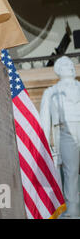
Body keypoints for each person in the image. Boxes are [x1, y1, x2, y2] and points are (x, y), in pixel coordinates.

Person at [40, 56, 80, 217]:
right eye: (65, 65)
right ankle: (73, 209)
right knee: (71, 172)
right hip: (65, 133)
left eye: (71, 64)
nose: (70, 66)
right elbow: (44, 119)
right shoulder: (51, 92)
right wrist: (44, 143)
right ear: (58, 70)